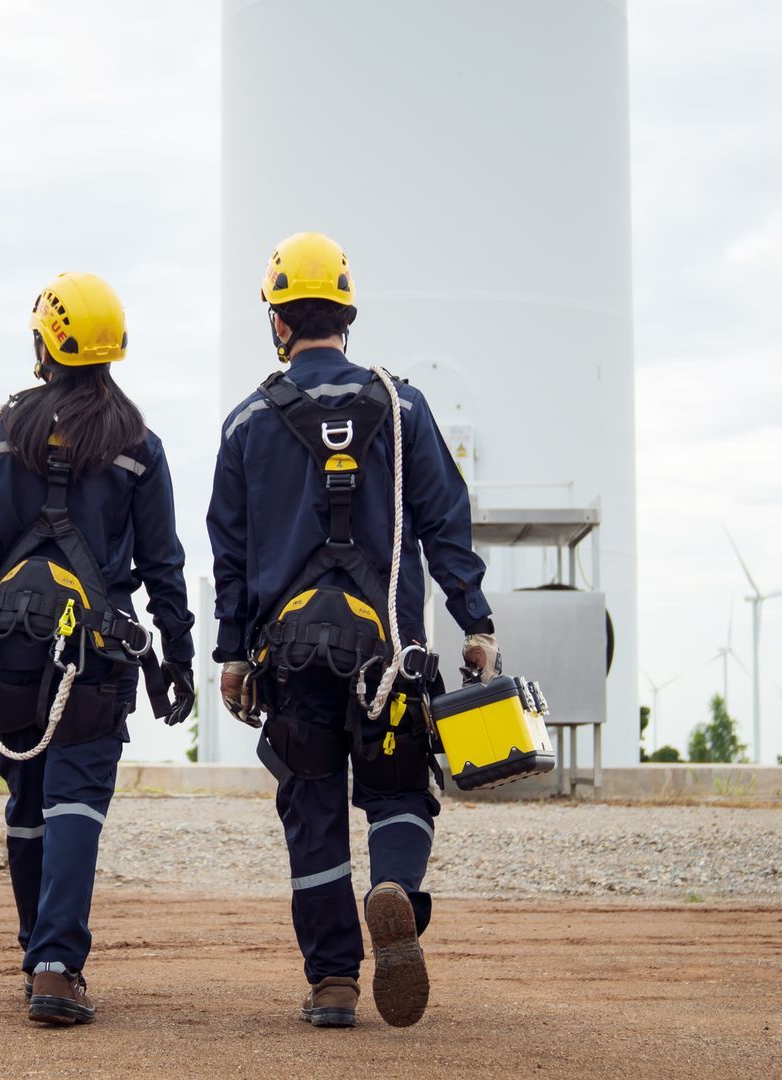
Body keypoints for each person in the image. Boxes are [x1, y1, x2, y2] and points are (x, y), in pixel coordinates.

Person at [206, 232, 498, 1029]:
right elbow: (446, 521)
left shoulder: (245, 425)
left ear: (278, 323)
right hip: (388, 649)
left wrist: (232, 656)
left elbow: (227, 552)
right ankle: (392, 886)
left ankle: (333, 984)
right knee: (400, 787)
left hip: (290, 654)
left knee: (313, 806)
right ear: (347, 316)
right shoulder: (403, 406)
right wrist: (475, 622)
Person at [0, 271, 197, 1026]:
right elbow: (164, 563)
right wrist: (177, 657)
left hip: (10, 651)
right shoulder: (139, 444)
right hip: (96, 657)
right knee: (75, 797)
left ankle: (36, 955)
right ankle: (55, 965)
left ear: (45, 341)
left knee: (26, 800)